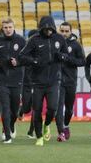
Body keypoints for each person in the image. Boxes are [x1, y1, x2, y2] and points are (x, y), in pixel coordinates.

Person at [19, 16, 67, 146]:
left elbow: (66, 54)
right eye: (46, 29)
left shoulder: (60, 39)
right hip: (37, 82)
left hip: (53, 80)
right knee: (37, 109)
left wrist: (62, 56)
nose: (48, 31)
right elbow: (22, 56)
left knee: (52, 108)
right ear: (41, 29)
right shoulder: (34, 40)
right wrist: (34, 61)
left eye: (50, 29)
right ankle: (39, 136)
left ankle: (47, 124)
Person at [0, 18, 26, 143]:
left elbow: (27, 57)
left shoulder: (21, 41)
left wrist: (18, 62)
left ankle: (11, 125)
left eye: (10, 27)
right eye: (5, 27)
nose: (7, 30)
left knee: (14, 110)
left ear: (14, 27)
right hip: (2, 80)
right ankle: (7, 134)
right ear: (2, 28)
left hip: (17, 79)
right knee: (5, 108)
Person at [55, 22, 85, 141]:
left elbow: (82, 61)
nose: (64, 33)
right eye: (62, 31)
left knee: (69, 108)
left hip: (71, 81)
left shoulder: (76, 45)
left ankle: (66, 125)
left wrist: (68, 59)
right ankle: (61, 132)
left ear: (71, 32)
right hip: (57, 81)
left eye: (67, 31)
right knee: (59, 106)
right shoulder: (55, 44)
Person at [18, 29, 38, 139]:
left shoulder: (41, 51)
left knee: (36, 107)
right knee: (27, 109)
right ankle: (22, 110)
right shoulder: (24, 52)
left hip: (38, 83)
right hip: (26, 83)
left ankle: (31, 131)